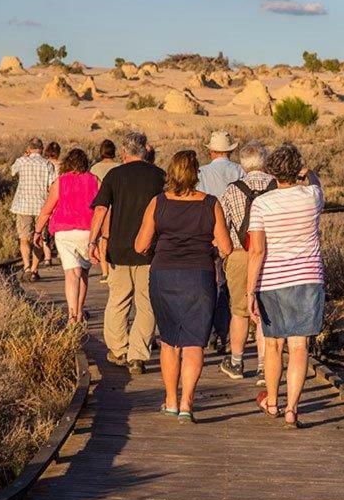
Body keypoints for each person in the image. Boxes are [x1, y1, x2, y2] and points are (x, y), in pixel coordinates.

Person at [135, 150, 233, 424]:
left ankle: (170, 400)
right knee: (193, 344)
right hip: (199, 277)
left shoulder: (158, 203)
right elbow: (225, 247)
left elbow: (140, 245)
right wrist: (210, 252)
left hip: (164, 275)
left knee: (169, 341)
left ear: (171, 173)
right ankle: (187, 404)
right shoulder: (210, 204)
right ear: (196, 175)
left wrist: (155, 252)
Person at [247, 143, 325, 429]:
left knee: (273, 344)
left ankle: (272, 401)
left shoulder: (262, 204)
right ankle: (292, 409)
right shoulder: (312, 196)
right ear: (297, 170)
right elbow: (317, 184)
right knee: (300, 345)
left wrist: (250, 289)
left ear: (272, 173)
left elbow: (256, 251)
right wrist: (311, 173)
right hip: (308, 278)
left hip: (273, 280)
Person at [88, 132, 165, 375]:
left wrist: (93, 241)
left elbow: (100, 209)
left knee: (118, 299)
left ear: (124, 152)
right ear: (146, 150)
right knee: (146, 303)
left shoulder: (114, 174)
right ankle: (138, 356)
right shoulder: (159, 176)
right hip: (150, 249)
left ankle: (119, 349)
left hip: (118, 248)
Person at [218, 142, 275, 383]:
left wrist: (225, 253)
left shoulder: (233, 190)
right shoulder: (277, 186)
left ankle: (237, 362)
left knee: (239, 311)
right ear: (265, 161)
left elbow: (223, 223)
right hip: (272, 253)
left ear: (242, 164)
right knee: (265, 312)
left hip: (241, 254)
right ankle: (264, 366)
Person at [34, 148, 100, 324]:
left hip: (64, 232)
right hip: (88, 231)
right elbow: (102, 207)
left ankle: (72, 316)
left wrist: (38, 231)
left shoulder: (60, 182)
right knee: (83, 272)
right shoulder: (94, 180)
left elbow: (47, 210)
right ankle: (79, 312)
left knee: (72, 273)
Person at [195, 130, 246, 353]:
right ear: (230, 151)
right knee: (227, 287)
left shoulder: (202, 172)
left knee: (207, 285)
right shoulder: (239, 170)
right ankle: (222, 334)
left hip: (208, 236)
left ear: (211, 150)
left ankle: (204, 331)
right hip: (235, 238)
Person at [9, 137, 56, 282]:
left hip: (23, 205)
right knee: (39, 238)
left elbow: (12, 172)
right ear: (41, 149)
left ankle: (27, 267)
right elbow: (51, 185)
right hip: (41, 206)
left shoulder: (22, 161)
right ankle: (35, 269)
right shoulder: (47, 164)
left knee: (24, 238)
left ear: (28, 148)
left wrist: (23, 156)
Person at [90, 139, 119, 283]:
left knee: (103, 237)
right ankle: (116, 267)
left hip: (101, 206)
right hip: (118, 206)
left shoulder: (95, 168)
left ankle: (105, 271)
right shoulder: (120, 167)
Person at [40, 141, 63, 266]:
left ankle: (47, 257)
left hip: (46, 197)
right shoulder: (64, 165)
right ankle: (60, 252)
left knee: (45, 229)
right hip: (61, 199)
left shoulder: (44, 164)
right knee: (59, 227)